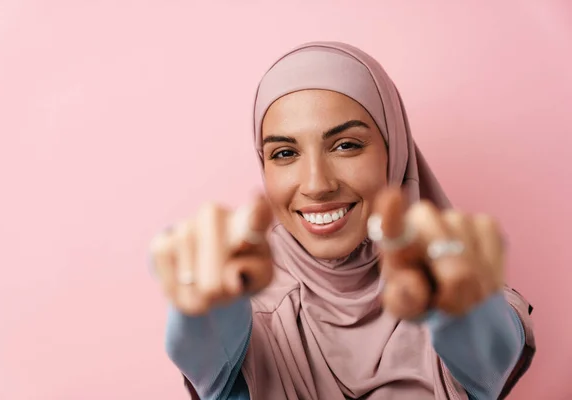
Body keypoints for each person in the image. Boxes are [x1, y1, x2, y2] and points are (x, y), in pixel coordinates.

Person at [150, 42, 535, 400]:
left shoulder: (458, 288)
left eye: (346, 145)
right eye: (284, 153)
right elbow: (204, 354)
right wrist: (199, 311)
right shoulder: (243, 309)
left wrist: (464, 311)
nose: (317, 185)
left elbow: (491, 358)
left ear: (394, 151)